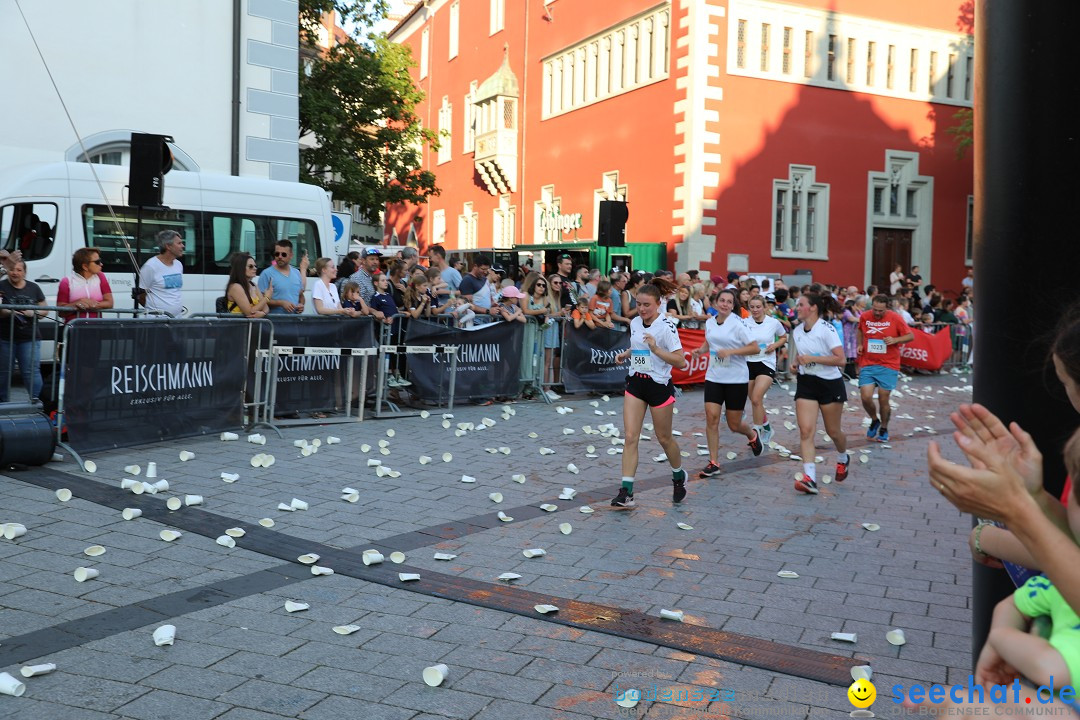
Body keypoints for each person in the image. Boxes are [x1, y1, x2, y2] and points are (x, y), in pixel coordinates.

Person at [612, 277, 687, 507]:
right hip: (636, 382)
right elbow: (638, 347)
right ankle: (627, 492)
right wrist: (627, 354)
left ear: (658, 304)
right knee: (630, 437)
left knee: (664, 438)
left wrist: (656, 348)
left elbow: (681, 361)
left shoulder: (666, 327)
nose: (642, 309)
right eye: (639, 304)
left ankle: (678, 475)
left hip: (659, 386)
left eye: (647, 305)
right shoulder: (635, 323)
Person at [691, 288, 764, 479]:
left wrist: (730, 352)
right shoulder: (709, 322)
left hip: (736, 379)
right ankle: (713, 462)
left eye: (729, 302)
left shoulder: (738, 324)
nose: (724, 304)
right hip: (714, 377)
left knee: (734, 424)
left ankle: (752, 435)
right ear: (715, 302)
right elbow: (710, 343)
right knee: (711, 417)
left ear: (733, 306)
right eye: (721, 300)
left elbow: (755, 348)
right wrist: (701, 350)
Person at [790, 292, 850, 494]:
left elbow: (841, 360)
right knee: (806, 430)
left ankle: (843, 457)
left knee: (833, 432)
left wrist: (812, 360)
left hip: (830, 384)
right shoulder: (797, 331)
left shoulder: (826, 330)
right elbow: (803, 357)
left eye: (801, 305)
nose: (797, 308)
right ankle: (810, 478)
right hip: (807, 382)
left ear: (813, 307)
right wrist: (796, 363)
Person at [856, 294, 914, 443]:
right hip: (868, 362)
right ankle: (874, 420)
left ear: (886, 308)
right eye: (875, 309)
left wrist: (895, 340)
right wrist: (860, 344)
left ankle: (883, 427)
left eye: (880, 311)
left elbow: (910, 336)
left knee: (883, 398)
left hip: (888, 364)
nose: (876, 313)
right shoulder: (865, 316)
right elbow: (860, 330)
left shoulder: (895, 318)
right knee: (865, 397)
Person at [0, 260, 47, 403]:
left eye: (19, 270)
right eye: (12, 269)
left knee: (31, 372)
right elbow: (0, 311)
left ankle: (36, 403)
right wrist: (10, 312)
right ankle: (3, 404)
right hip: (5, 336)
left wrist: (33, 313)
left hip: (29, 337)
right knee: (3, 372)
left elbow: (44, 309)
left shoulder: (34, 287)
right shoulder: (1, 286)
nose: (15, 272)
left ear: (25, 272)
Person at [744, 294, 788, 445]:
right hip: (749, 363)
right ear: (748, 307)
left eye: (758, 307)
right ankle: (768, 428)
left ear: (764, 307)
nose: (755, 310)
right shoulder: (744, 323)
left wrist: (775, 346)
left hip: (766, 363)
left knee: (756, 398)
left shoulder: (773, 322)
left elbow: (783, 337)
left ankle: (756, 434)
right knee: (754, 401)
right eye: (752, 307)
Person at [57, 247, 114, 321]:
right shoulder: (66, 281)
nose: (101, 264)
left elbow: (110, 303)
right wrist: (78, 303)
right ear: (85, 266)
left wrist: (92, 304)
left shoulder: (101, 277)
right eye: (97, 262)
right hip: (74, 329)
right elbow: (60, 312)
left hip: (96, 328)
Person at [138, 229, 185, 316]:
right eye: (179, 243)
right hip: (157, 321)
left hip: (177, 319)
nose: (182, 246)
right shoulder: (150, 266)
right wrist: (156, 312)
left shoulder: (178, 265)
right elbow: (141, 295)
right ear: (168, 246)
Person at [258, 240, 307, 314]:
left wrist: (301, 305)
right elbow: (260, 300)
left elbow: (300, 296)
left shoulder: (296, 273)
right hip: (274, 321)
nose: (280, 257)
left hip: (294, 321)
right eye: (277, 254)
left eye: (284, 254)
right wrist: (281, 303)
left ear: (291, 255)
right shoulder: (266, 274)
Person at [458, 255, 499, 323]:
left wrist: (494, 305)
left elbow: (488, 299)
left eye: (487, 269)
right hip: (474, 322)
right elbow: (467, 305)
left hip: (485, 321)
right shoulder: (467, 280)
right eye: (483, 269)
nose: (485, 272)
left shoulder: (485, 280)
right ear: (475, 266)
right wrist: (488, 311)